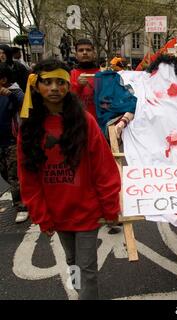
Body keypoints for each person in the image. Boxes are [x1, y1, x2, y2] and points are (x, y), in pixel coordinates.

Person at [17, 59, 121, 299]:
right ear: (36, 86)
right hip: (57, 212)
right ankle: (78, 290)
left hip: (86, 210)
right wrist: (42, 215)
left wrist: (110, 207)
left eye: (60, 82)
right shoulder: (29, 128)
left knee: (87, 268)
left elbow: (104, 168)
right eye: (47, 82)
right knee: (72, 261)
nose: (54, 88)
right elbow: (28, 179)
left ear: (68, 85)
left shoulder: (85, 121)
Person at [0, 63, 28, 223]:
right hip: (0, 142)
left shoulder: (15, 93)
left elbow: (25, 109)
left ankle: (22, 205)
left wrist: (10, 95)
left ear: (3, 80)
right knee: (4, 172)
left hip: (12, 141)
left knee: (14, 175)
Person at [70, 39, 99, 118]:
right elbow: (67, 99)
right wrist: (78, 86)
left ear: (94, 54)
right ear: (76, 55)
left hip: (99, 122)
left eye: (88, 50)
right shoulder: (70, 74)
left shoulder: (103, 74)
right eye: (81, 50)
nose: (85, 52)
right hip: (78, 120)